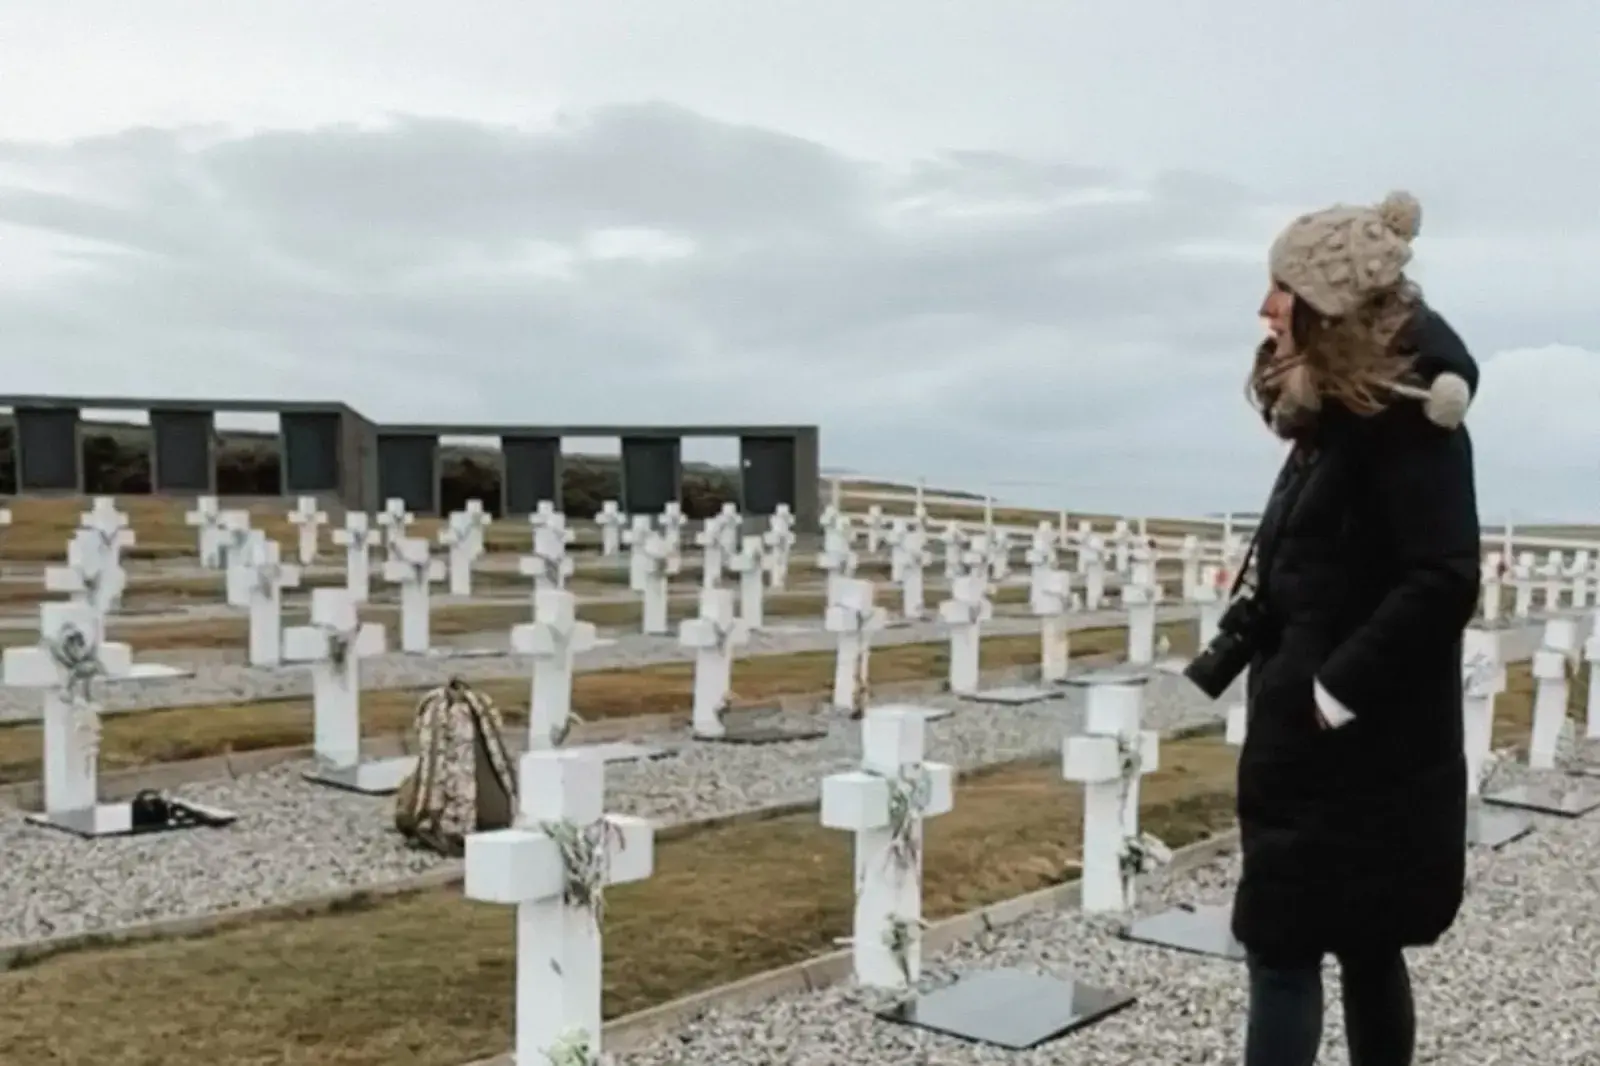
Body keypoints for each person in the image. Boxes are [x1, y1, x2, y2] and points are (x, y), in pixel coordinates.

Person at [1232, 190, 1482, 1066]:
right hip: (1327, 737)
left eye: (1282, 287)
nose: (1266, 307)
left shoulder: (1409, 422)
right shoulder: (1337, 415)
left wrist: (1331, 693)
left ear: (1327, 303)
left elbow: (1444, 575)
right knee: (1349, 941)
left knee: (1292, 949)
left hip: (1354, 746)